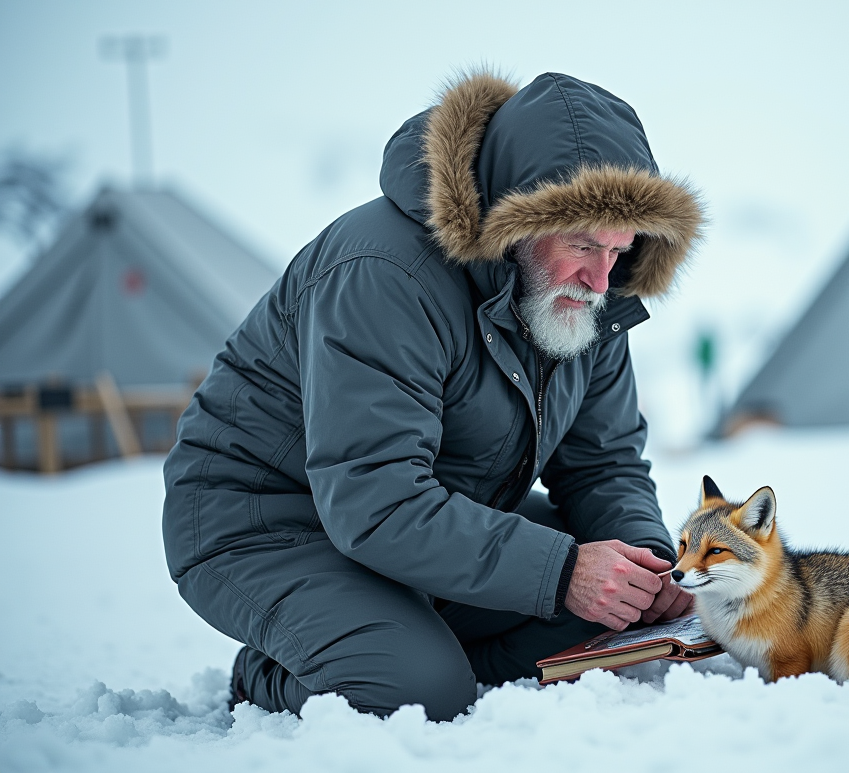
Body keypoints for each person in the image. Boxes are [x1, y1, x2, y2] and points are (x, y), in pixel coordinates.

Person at [161, 71, 704, 722]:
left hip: (424, 518)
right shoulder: (385, 272)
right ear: (515, 219)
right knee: (415, 693)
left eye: (619, 250)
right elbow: (373, 495)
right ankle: (281, 673)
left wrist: (648, 568)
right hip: (265, 522)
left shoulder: (584, 296)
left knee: (609, 621)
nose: (601, 276)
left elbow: (604, 462)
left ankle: (404, 643)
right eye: (583, 245)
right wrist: (563, 572)